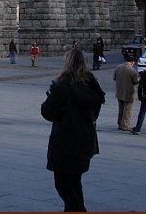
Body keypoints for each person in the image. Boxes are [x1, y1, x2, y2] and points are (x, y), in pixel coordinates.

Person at [40, 48, 105, 212]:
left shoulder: (63, 85)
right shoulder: (92, 84)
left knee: (62, 184)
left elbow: (47, 112)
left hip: (66, 142)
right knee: (75, 183)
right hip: (86, 142)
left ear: (67, 63)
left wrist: (51, 96)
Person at [113, 54, 139, 131]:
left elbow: (114, 78)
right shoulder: (132, 70)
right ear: (133, 62)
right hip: (129, 93)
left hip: (119, 91)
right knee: (127, 110)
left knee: (121, 109)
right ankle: (125, 125)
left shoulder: (118, 67)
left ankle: (120, 123)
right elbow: (136, 81)